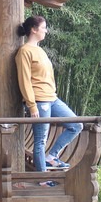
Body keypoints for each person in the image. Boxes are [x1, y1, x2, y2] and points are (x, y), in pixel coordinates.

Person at [15, 15, 82, 172]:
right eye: (44, 27)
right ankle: (42, 179)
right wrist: (31, 106)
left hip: (52, 98)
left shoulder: (40, 50)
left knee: (76, 125)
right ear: (34, 29)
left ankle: (52, 156)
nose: (46, 30)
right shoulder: (24, 51)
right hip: (39, 101)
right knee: (40, 141)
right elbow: (24, 80)